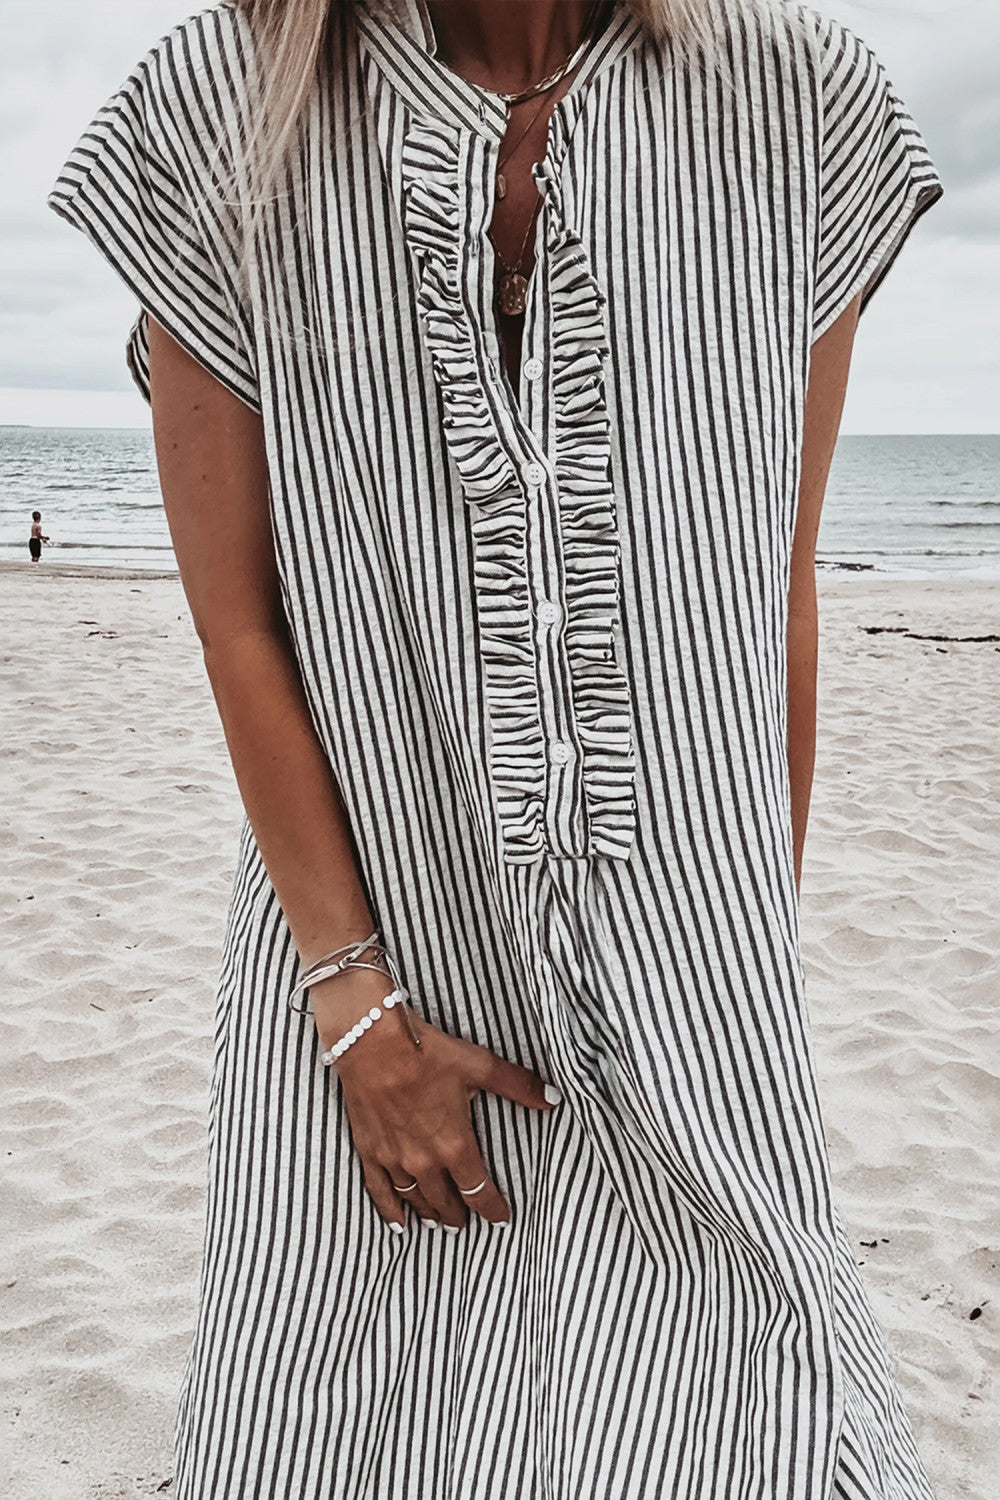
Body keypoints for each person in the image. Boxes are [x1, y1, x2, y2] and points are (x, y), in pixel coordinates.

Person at [47, 0, 944, 1495]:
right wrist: (354, 1014)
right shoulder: (225, 107)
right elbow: (240, 623)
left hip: (694, 988)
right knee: (354, 1426)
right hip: (369, 971)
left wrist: (747, 960)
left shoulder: (798, 105)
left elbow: (769, 587)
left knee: (763, 1421)